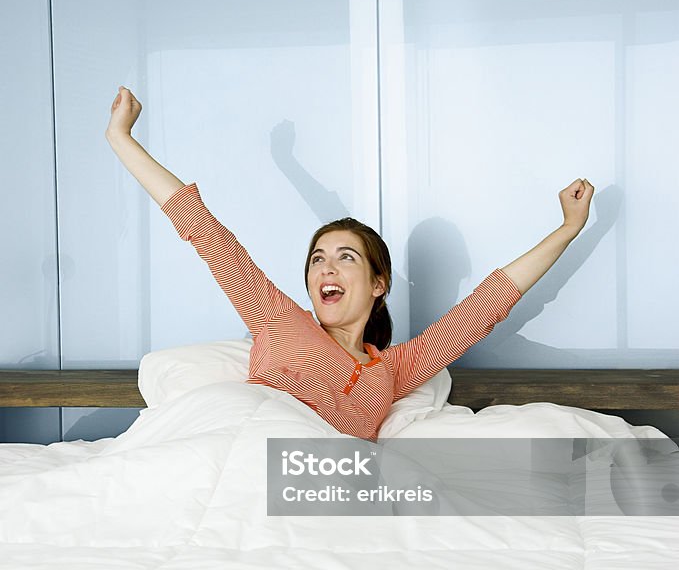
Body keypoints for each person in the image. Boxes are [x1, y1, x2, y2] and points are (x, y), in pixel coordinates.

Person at [106, 86, 594, 440]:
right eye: (317, 259)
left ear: (378, 283)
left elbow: (488, 304)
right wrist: (121, 139)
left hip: (317, 489)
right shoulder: (278, 322)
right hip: (247, 466)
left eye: (345, 258)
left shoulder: (398, 367)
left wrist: (568, 228)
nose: (326, 269)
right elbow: (205, 233)